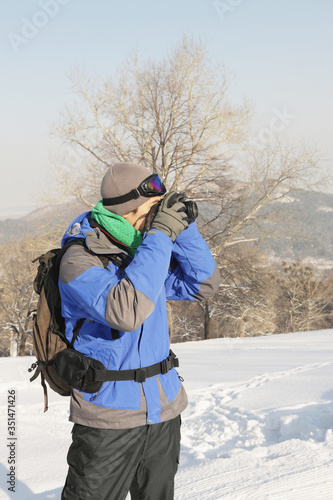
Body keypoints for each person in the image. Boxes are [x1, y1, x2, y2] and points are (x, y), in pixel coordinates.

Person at [60, 162, 220, 500]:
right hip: (109, 420)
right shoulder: (79, 259)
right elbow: (127, 311)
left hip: (163, 412)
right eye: (153, 209)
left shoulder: (143, 250)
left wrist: (184, 229)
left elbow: (203, 284)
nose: (159, 217)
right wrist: (161, 234)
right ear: (131, 210)